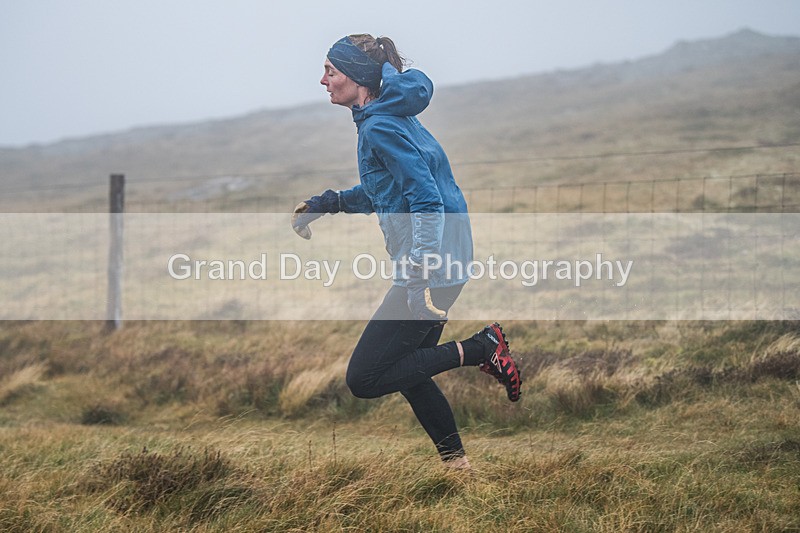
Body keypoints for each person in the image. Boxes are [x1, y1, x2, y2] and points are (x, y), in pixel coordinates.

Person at [291, 34, 522, 469]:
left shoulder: (379, 126)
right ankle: (458, 469)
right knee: (410, 369)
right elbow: (388, 189)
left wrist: (418, 270)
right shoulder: (386, 117)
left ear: (357, 78)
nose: (322, 80)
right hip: (445, 260)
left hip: (433, 265)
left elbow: (426, 198)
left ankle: (482, 347)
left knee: (365, 377)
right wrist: (331, 202)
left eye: (331, 71)